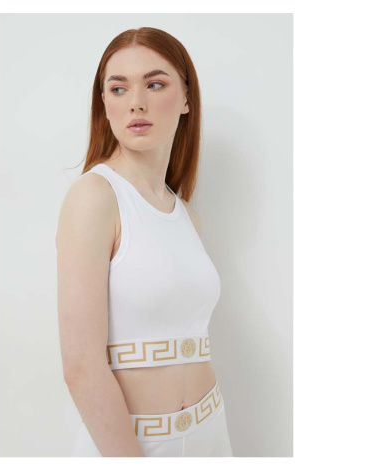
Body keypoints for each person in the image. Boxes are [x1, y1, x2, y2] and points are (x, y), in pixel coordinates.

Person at [56, 27, 233, 457]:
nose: (136, 102)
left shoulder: (186, 214)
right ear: (104, 103)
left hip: (211, 431)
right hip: (132, 444)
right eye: (119, 88)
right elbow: (81, 367)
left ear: (187, 98)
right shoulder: (95, 196)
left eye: (155, 84)